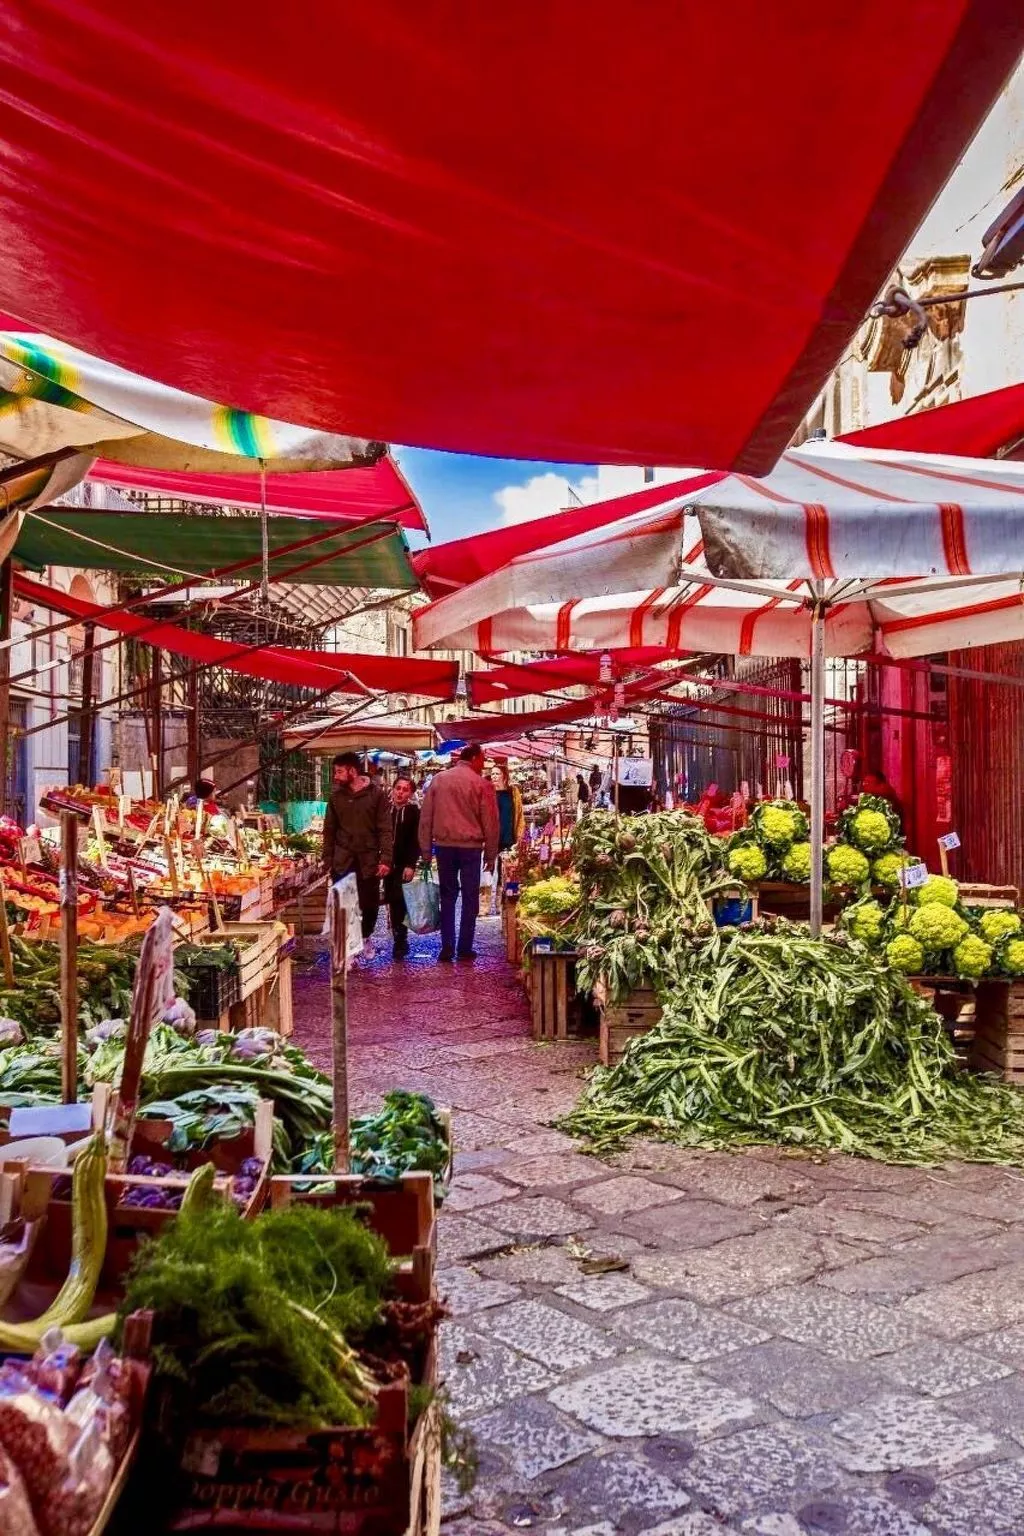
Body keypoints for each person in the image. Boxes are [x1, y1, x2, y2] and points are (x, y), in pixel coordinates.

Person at [419, 743, 499, 963]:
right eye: (482, 759)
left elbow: (426, 818)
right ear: (473, 758)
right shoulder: (482, 785)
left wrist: (426, 851)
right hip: (471, 849)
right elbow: (491, 823)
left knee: (448, 896)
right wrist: (491, 855)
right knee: (470, 898)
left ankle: (447, 947)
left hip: (444, 846)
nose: (483, 764)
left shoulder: (438, 780)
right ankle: (464, 947)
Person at [322, 751, 393, 959]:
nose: (335, 776)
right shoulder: (335, 797)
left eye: (339, 771)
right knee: (344, 904)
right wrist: (327, 859)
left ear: (353, 771)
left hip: (368, 859)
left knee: (369, 904)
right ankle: (348, 948)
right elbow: (329, 830)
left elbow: (385, 829)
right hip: (342, 859)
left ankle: (365, 937)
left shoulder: (376, 795)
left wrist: (385, 859)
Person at [384, 773, 420, 960]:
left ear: (411, 793)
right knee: (391, 899)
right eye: (398, 788)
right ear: (393, 789)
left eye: (405, 790)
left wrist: (410, 864)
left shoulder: (414, 812)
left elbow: (416, 841)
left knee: (400, 900)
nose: (400, 792)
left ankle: (401, 939)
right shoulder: (385, 811)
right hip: (386, 864)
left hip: (403, 865)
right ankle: (398, 935)